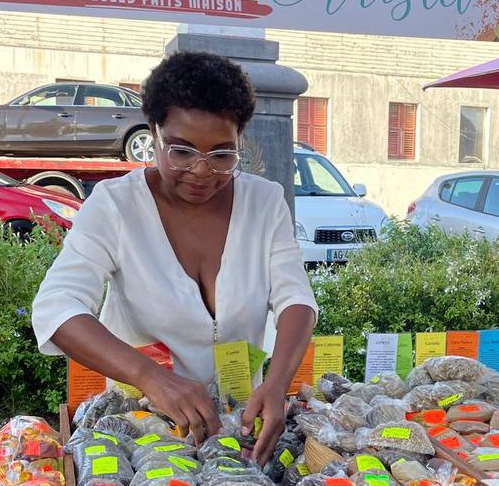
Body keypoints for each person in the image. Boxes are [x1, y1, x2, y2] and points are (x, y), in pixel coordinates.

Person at [32, 51, 317, 462]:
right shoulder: (115, 206)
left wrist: (275, 385)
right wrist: (151, 377)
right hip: (142, 429)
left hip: (241, 425)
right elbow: (56, 309)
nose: (202, 171)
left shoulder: (265, 202)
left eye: (222, 155)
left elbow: (296, 300)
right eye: (181, 151)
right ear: (153, 132)